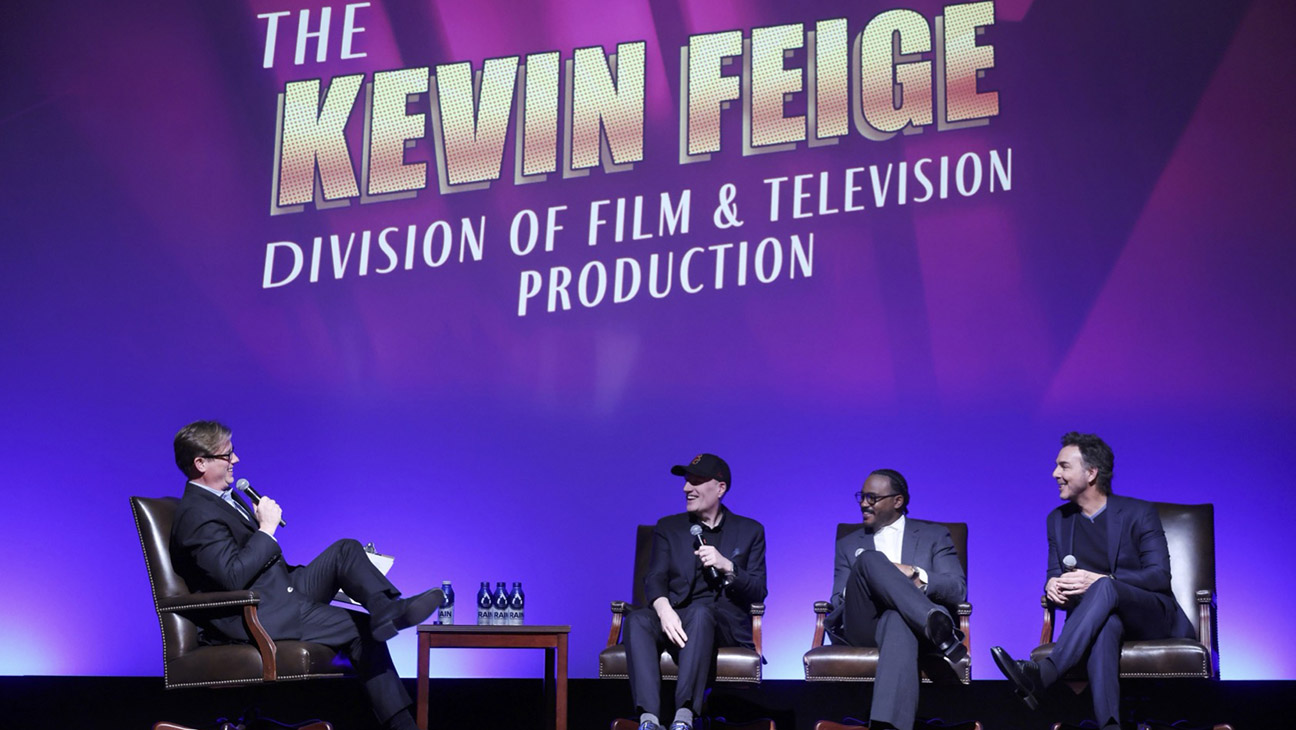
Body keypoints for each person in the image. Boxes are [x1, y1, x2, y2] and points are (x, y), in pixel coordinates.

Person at [169, 420, 444, 730]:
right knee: (362, 630)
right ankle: (403, 725)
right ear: (200, 463)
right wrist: (267, 529)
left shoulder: (222, 500)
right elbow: (232, 576)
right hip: (257, 613)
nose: (236, 460)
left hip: (279, 592)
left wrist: (337, 583)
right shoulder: (197, 515)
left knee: (345, 550)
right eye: (227, 455)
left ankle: (386, 607)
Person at [991, 432, 1195, 730]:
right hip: (1103, 617)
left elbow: (1159, 576)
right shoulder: (1057, 520)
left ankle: (1045, 674)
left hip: (1151, 615)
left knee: (1105, 587)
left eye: (1063, 466)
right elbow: (1054, 575)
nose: (1055, 474)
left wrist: (1104, 580)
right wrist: (1052, 587)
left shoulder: (1139, 512)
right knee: (1106, 626)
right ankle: (1110, 726)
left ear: (1091, 473)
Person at [623, 453, 768, 730]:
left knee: (701, 614)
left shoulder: (749, 530)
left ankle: (684, 716)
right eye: (686, 481)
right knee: (638, 620)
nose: (686, 488)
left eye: (696, 481)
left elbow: (759, 590)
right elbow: (654, 577)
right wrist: (664, 610)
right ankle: (649, 719)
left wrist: (728, 566)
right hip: (675, 616)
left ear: (720, 488)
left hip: (720, 623)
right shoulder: (669, 527)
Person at [824, 469, 968, 730]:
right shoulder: (849, 544)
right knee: (868, 559)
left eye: (872, 497)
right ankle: (935, 625)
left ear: (897, 501)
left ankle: (886, 726)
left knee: (897, 620)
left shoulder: (934, 536)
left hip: (908, 628)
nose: (863, 503)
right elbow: (837, 598)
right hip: (864, 623)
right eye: (861, 496)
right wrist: (872, 576)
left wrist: (916, 574)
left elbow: (957, 589)